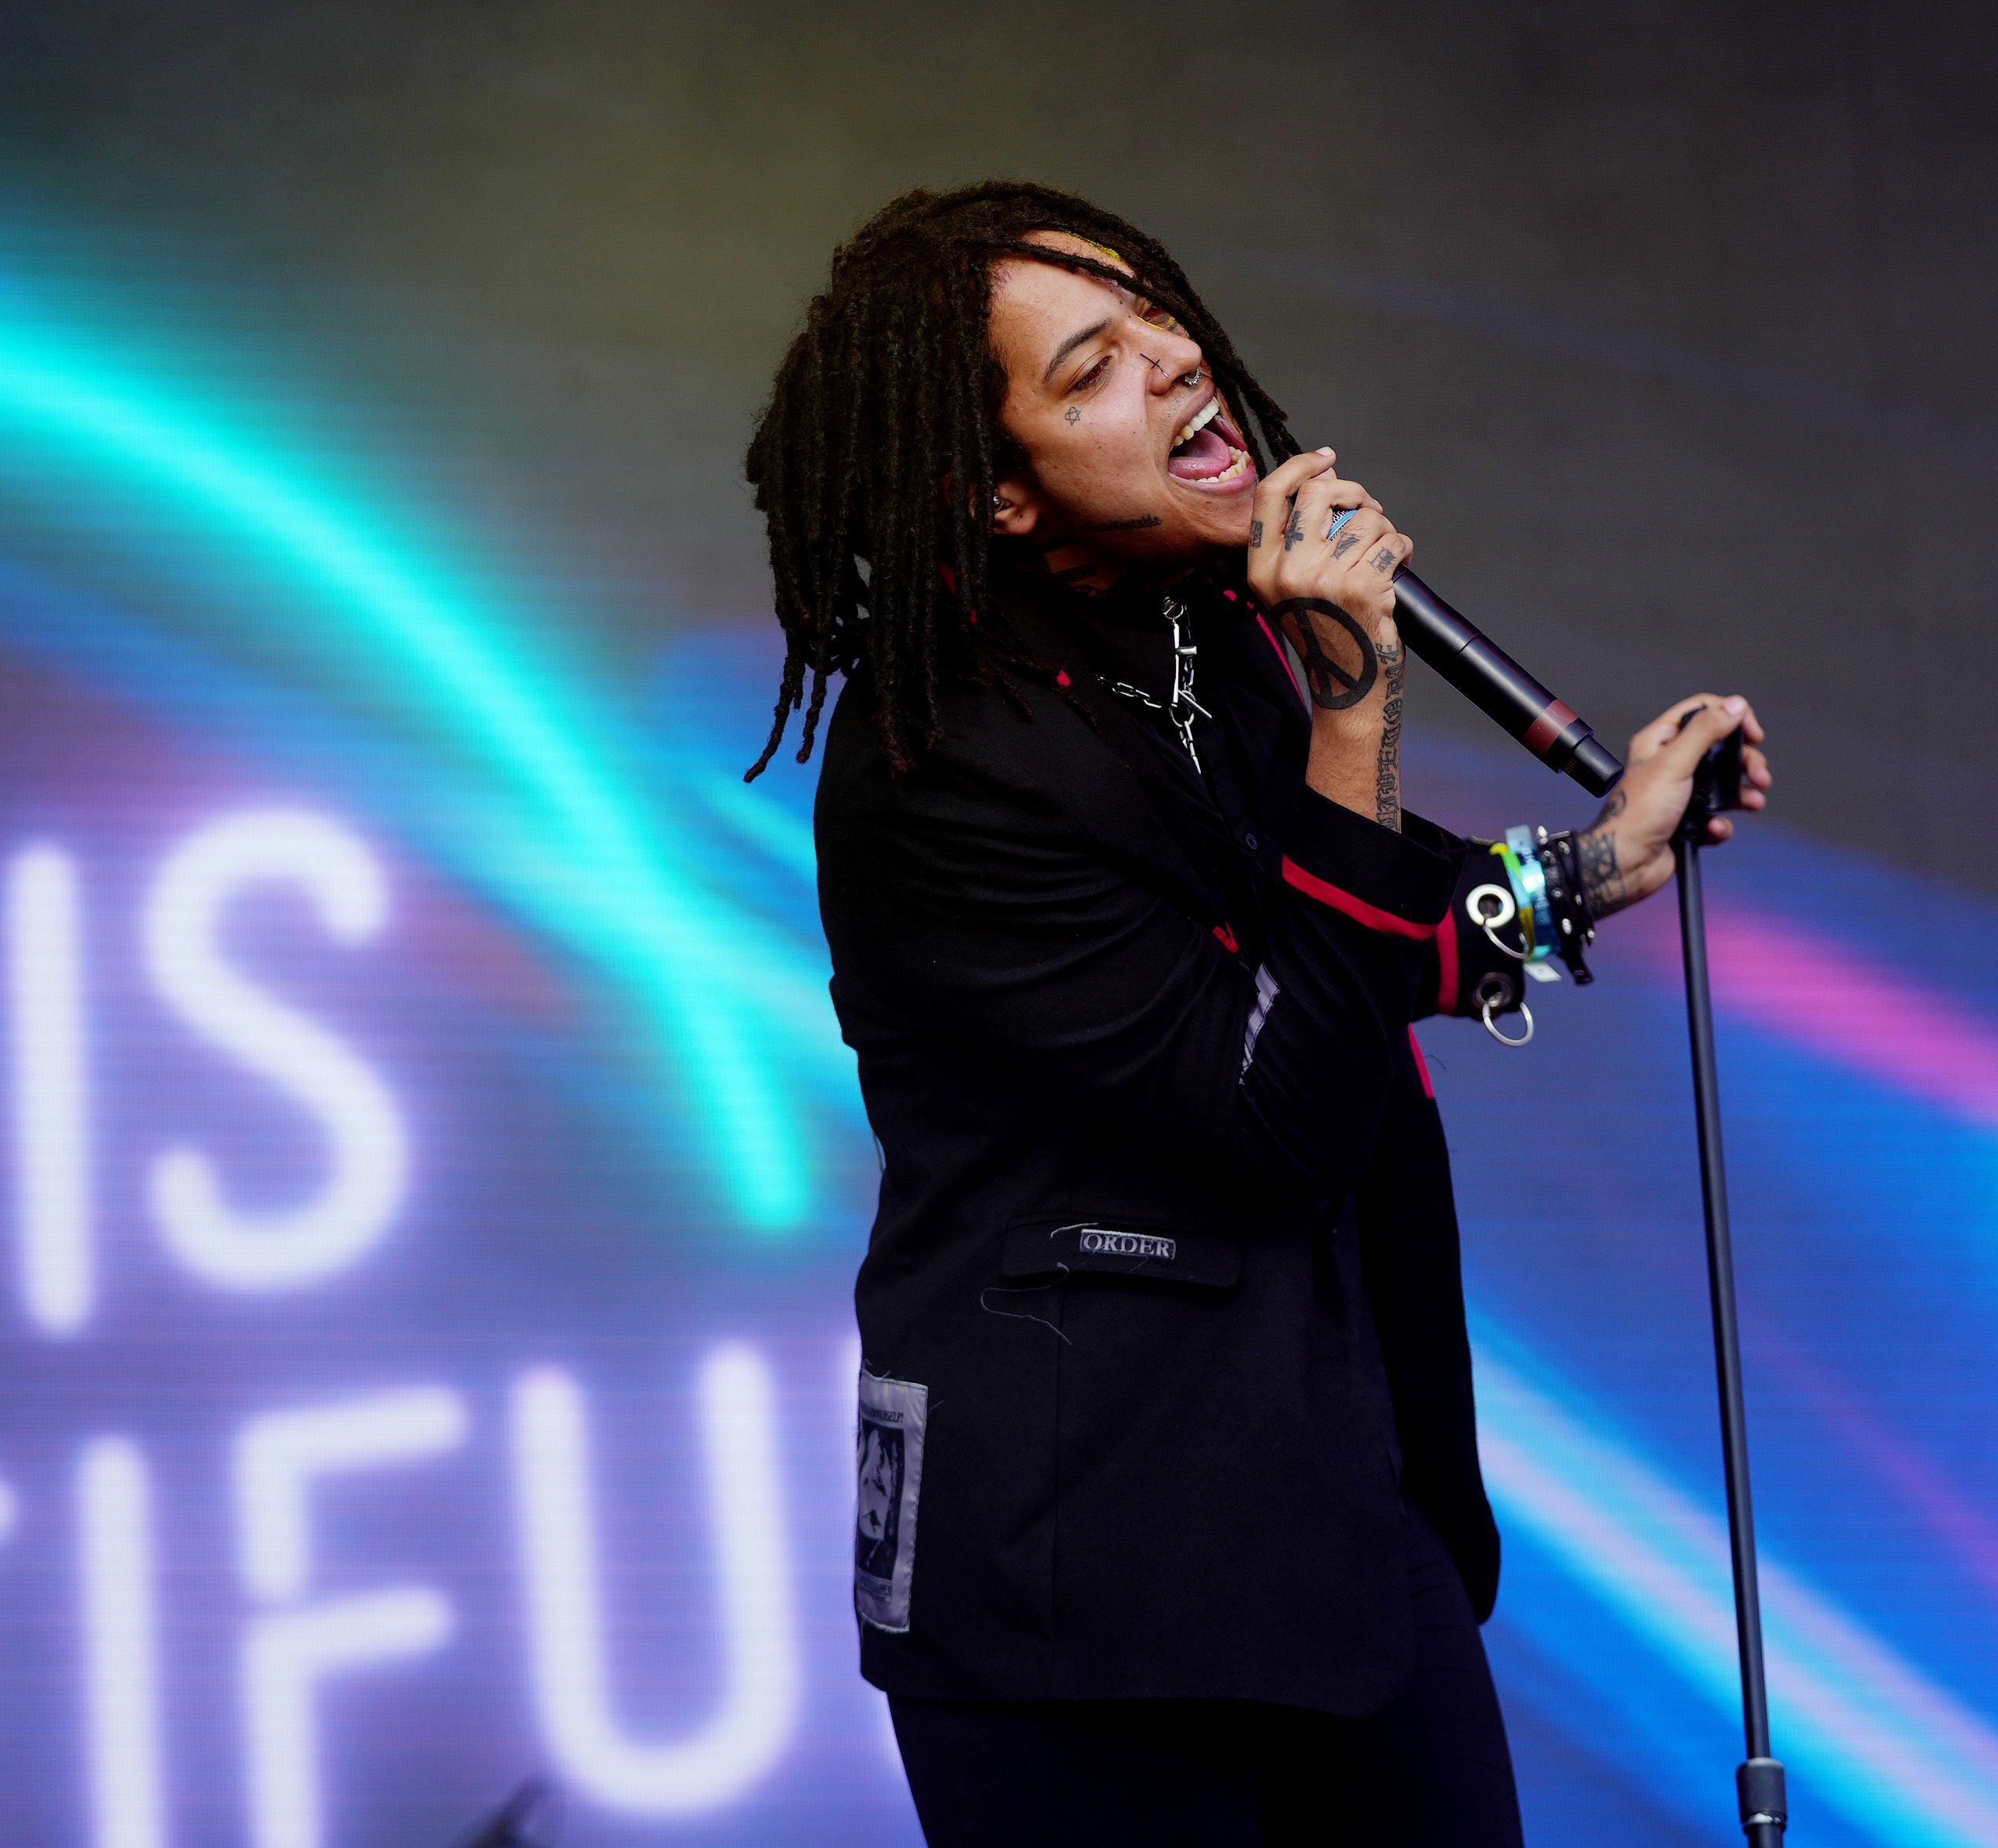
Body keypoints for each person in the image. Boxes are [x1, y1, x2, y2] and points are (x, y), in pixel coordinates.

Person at [743, 182, 1770, 1848]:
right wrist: (1355, 708)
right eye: (1094, 366)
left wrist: (1592, 866)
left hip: (1340, 1518)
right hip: (1084, 1589)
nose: (1173, 358)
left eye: (1158, 312)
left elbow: (1344, 937)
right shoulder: (934, 765)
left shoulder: (1207, 639)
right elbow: (1276, 1101)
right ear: (998, 496)